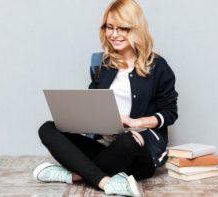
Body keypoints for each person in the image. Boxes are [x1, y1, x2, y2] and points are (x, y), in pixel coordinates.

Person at [33, 0, 178, 196]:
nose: (114, 34)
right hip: (106, 149)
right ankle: (106, 182)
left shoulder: (157, 66)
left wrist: (135, 123)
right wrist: (79, 119)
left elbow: (170, 113)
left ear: (136, 28)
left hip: (139, 151)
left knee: (128, 141)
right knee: (47, 128)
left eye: (122, 28)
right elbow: (94, 105)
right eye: (110, 27)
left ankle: (75, 175)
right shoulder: (101, 64)